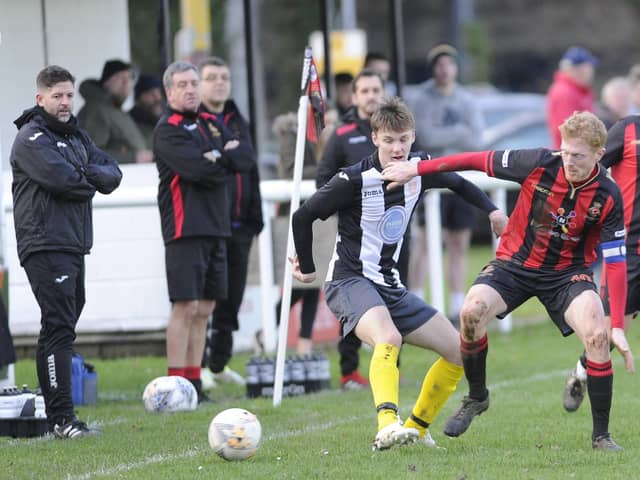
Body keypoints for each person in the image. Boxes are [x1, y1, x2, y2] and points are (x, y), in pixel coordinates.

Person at [381, 111, 635, 451]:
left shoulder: (608, 194)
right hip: (514, 264)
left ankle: (601, 435)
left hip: (566, 274)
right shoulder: (538, 162)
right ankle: (477, 396)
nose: (569, 161)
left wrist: (617, 323)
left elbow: (616, 263)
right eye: (565, 152)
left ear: (599, 155)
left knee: (597, 336)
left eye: (578, 156)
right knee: (471, 312)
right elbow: (473, 160)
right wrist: (417, 168)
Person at [291, 97, 507, 450]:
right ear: (375, 137)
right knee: (387, 338)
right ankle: (387, 424)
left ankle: (416, 430)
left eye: (404, 139)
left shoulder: (419, 169)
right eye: (389, 140)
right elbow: (304, 216)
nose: (397, 148)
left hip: (389, 284)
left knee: (458, 350)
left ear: (413, 138)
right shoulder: (353, 179)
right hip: (349, 280)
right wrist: (309, 267)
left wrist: (493, 211)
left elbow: (458, 182)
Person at [10, 65, 122, 438]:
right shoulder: (30, 139)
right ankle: (63, 419)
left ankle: (52, 409)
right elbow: (67, 182)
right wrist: (86, 174)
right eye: (57, 96)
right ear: (40, 98)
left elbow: (113, 174)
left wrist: (83, 173)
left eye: (69, 95)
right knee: (59, 328)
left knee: (58, 327)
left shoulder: (76, 136)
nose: (64, 102)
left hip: (72, 244)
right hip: (44, 243)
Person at [153, 61, 253, 402]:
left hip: (217, 227)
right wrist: (218, 159)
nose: (191, 89)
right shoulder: (167, 129)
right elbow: (197, 170)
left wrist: (218, 157)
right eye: (182, 85)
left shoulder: (212, 123)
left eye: (194, 83)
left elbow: (246, 159)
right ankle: (174, 383)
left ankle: (193, 383)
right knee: (186, 305)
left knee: (206, 307)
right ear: (170, 92)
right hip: (185, 227)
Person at [562, 114, 639, 413]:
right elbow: (593, 171)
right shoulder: (628, 129)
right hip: (629, 250)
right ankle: (581, 373)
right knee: (608, 334)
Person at [316, 68, 386, 389]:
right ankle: (349, 372)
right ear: (354, 96)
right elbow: (323, 181)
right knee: (355, 303)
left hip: (391, 234)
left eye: (376, 90)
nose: (371, 96)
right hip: (354, 236)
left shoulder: (398, 130)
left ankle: (388, 367)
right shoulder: (342, 135)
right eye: (365, 91)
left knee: (393, 296)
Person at [197, 56, 264, 388]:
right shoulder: (194, 122)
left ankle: (219, 364)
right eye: (211, 77)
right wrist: (229, 154)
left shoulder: (238, 120)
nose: (219, 82)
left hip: (240, 225)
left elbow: (248, 164)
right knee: (204, 299)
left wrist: (256, 216)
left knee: (231, 300)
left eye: (224, 76)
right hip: (209, 225)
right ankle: (198, 366)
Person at [407, 43, 484, 324]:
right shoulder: (422, 99)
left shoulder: (467, 99)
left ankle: (455, 304)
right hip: (432, 179)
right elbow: (425, 135)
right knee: (426, 241)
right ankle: (414, 299)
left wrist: (452, 135)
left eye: (449, 64)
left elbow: (476, 139)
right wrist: (459, 132)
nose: (444, 69)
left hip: (461, 178)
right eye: (439, 64)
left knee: (458, 242)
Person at [78, 59, 153, 164]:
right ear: (106, 82)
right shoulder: (96, 109)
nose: (126, 83)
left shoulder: (115, 111)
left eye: (129, 78)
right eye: (120, 77)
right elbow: (90, 154)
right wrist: (133, 157)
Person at [546, 46, 598, 148]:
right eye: (589, 67)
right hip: (572, 155)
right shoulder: (564, 93)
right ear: (578, 69)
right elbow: (568, 131)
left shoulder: (579, 91)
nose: (591, 72)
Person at [129, 73, 164, 149]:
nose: (157, 98)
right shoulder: (129, 120)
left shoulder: (165, 119)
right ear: (139, 97)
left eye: (158, 92)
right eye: (151, 93)